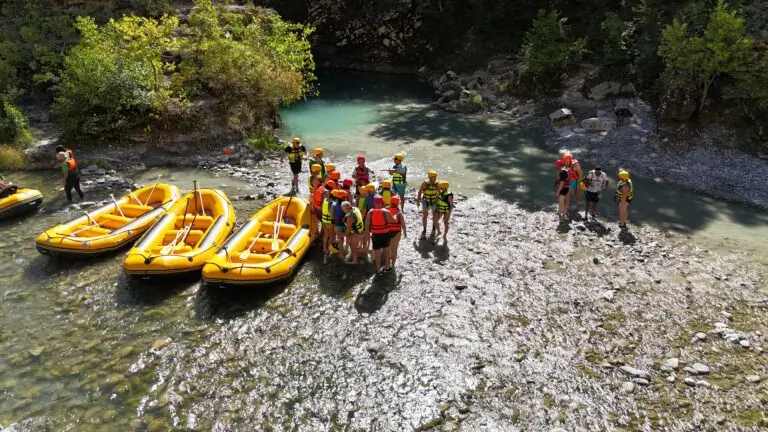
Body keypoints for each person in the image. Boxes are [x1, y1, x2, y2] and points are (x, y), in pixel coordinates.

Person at [365, 196, 397, 273]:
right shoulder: (386, 212)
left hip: (375, 235)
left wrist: (367, 235)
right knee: (386, 251)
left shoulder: (370, 212)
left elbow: (366, 227)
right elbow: (394, 221)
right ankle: (387, 267)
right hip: (385, 234)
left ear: (374, 204)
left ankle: (378, 269)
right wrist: (396, 216)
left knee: (377, 253)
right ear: (382, 203)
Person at [416, 170, 440, 238]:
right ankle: (424, 229)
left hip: (435, 201)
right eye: (434, 177)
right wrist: (418, 200)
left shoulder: (437, 183)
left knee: (435, 216)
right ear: (430, 177)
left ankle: (433, 229)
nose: (435, 178)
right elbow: (420, 192)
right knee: (425, 216)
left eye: (435, 177)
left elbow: (439, 193)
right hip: (425, 201)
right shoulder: (424, 183)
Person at [387, 195, 406, 268]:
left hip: (387, 231)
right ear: (398, 203)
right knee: (394, 249)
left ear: (390, 202)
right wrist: (405, 232)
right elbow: (403, 224)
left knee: (388, 248)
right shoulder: (399, 212)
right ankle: (393, 265)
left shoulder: (386, 210)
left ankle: (387, 264)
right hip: (397, 232)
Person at [320, 181, 336, 260]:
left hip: (324, 220)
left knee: (326, 235)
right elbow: (331, 214)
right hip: (329, 221)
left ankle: (324, 248)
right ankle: (329, 249)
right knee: (331, 235)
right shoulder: (331, 203)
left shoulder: (325, 200)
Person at [331, 189, 349, 254]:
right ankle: (346, 250)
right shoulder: (346, 206)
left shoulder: (333, 205)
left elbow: (331, 216)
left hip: (337, 225)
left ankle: (341, 254)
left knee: (339, 239)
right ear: (344, 198)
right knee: (346, 237)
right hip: (345, 225)